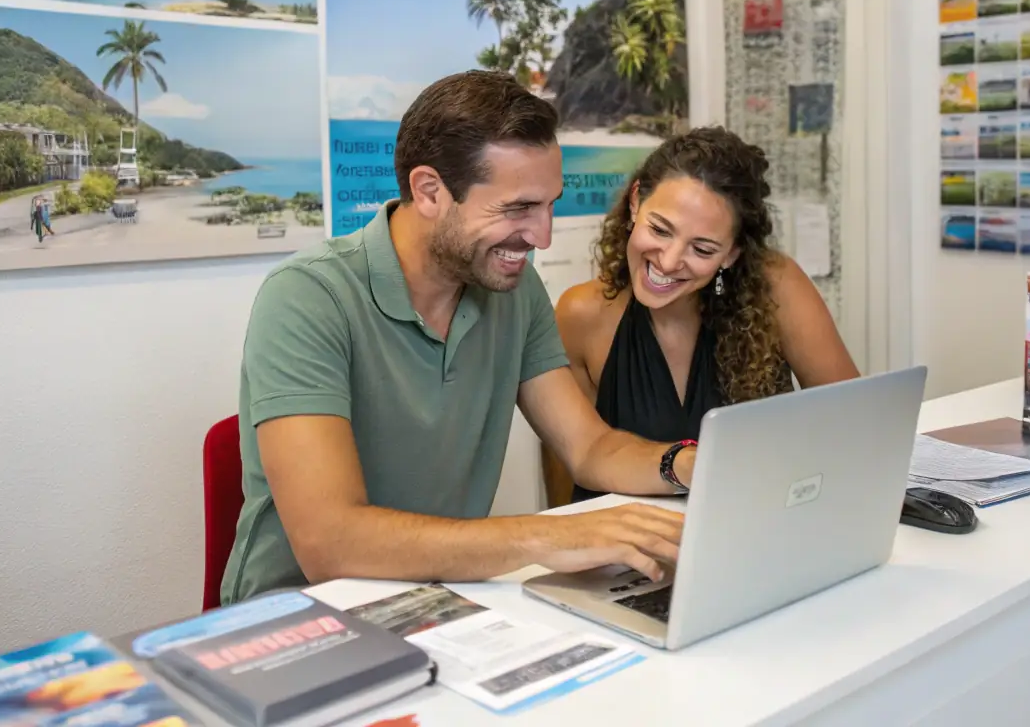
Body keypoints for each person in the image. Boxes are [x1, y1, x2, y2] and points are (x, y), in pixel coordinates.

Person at [221, 71, 693, 606]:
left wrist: (687, 465)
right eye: (518, 209)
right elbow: (330, 542)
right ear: (430, 191)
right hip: (299, 618)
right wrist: (548, 537)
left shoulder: (513, 288)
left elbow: (589, 448)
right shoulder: (307, 297)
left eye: (548, 205)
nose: (542, 235)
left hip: (440, 601)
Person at [554, 126, 860, 503]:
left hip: (753, 531)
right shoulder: (581, 314)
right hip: (633, 551)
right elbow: (568, 469)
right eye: (660, 229)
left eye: (702, 249)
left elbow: (854, 422)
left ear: (731, 254)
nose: (668, 261)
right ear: (636, 202)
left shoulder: (777, 287)